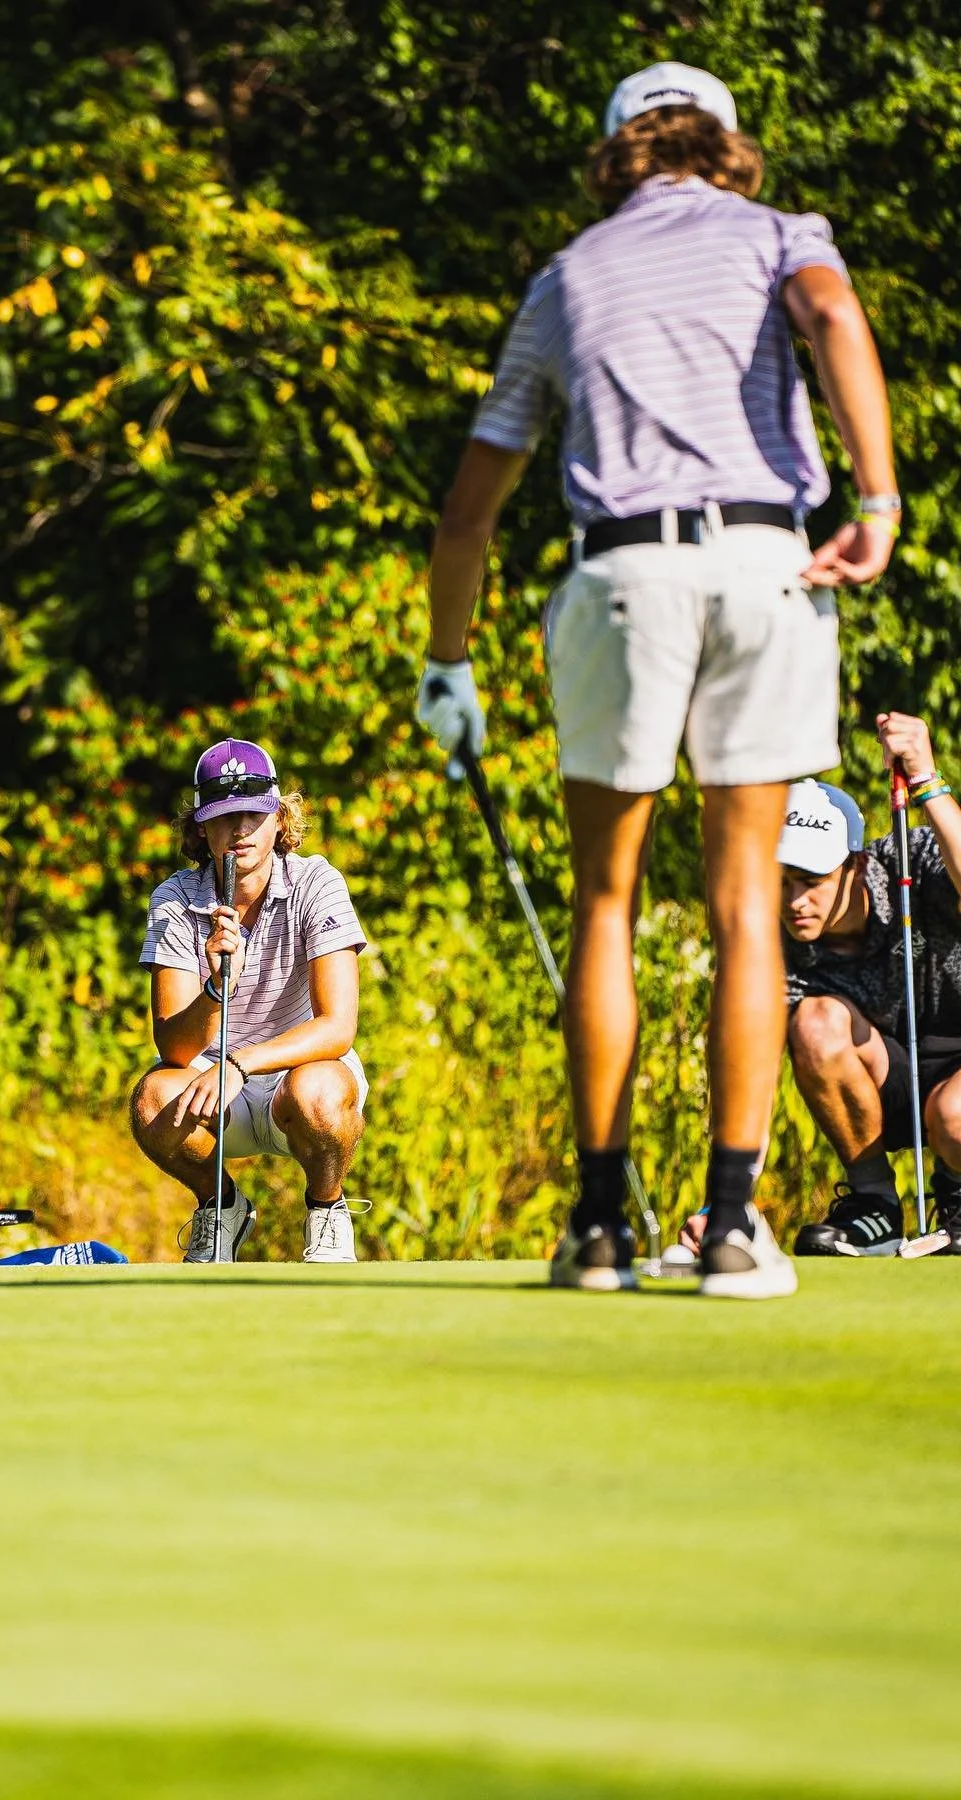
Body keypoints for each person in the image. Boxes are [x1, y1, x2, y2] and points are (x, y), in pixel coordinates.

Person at [416, 61, 899, 1298]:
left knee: (607, 903)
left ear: (615, 150)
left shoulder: (568, 275)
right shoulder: (778, 233)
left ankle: (596, 1230)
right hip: (761, 560)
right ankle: (732, 1228)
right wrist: (880, 500)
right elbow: (838, 319)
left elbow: (473, 503)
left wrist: (449, 661)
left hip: (619, 578)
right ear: (723, 143)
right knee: (744, 900)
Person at [130, 739, 368, 1263]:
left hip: (298, 1076)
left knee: (321, 1094)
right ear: (199, 828)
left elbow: (337, 1027)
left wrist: (240, 1062)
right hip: (212, 1090)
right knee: (151, 1101)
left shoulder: (317, 882)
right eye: (222, 817)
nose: (239, 831)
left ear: (279, 818)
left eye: (252, 814)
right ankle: (222, 1207)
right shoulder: (174, 899)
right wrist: (218, 987)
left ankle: (326, 1208)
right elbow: (172, 1046)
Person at [777, 713, 961, 1256]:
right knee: (813, 1023)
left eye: (811, 881)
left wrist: (926, 779)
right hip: (893, 1079)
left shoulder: (916, 860)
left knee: (953, 1117)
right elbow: (754, 1062)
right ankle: (876, 1206)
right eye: (781, 880)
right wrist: (723, 1198)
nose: (794, 900)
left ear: (855, 866)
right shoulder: (779, 939)